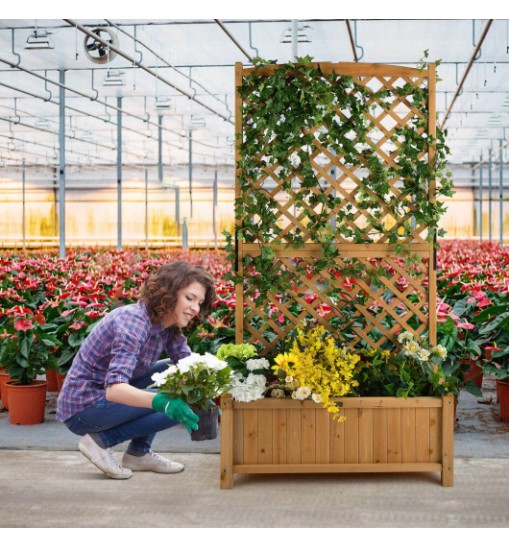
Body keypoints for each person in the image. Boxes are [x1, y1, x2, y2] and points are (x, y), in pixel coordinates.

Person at [56, 260, 216, 480]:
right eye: (190, 298)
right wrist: (164, 401)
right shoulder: (134, 323)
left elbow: (186, 364)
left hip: (104, 398)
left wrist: (206, 389)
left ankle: (138, 454)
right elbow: (115, 390)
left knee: (180, 377)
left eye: (199, 302)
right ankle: (100, 442)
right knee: (180, 398)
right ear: (168, 294)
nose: (196, 309)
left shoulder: (167, 324)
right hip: (83, 408)